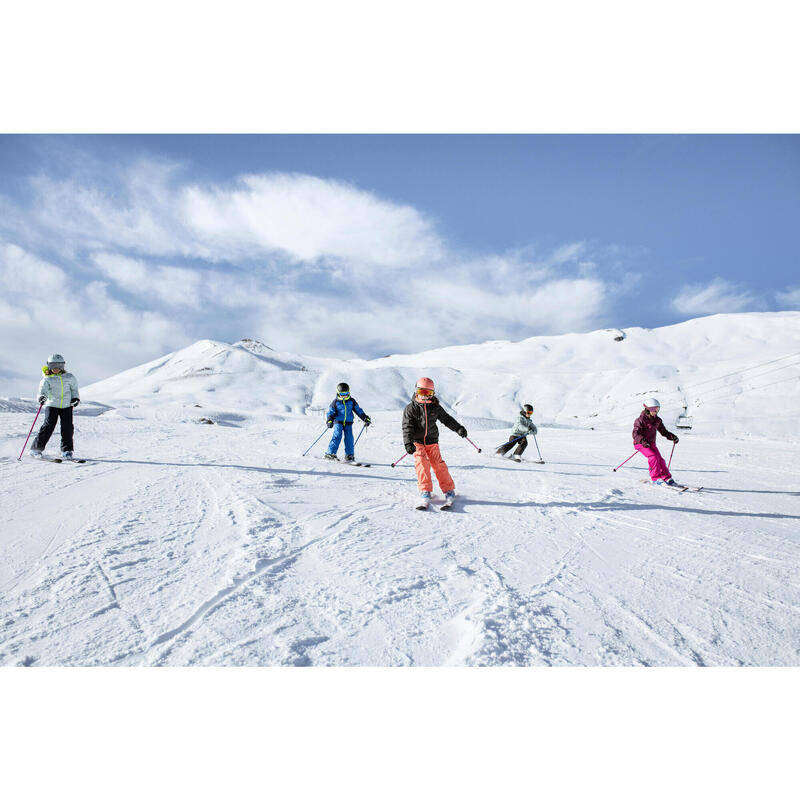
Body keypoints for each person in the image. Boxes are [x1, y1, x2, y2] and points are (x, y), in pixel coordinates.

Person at [402, 377, 467, 507]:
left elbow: (447, 419)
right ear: (416, 391)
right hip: (417, 442)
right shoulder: (411, 408)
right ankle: (425, 491)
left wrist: (458, 428)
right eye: (422, 392)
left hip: (432, 441)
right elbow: (407, 426)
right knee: (421, 464)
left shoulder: (435, 407)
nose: (425, 396)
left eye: (428, 393)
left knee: (438, 465)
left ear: (432, 394)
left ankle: (449, 490)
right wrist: (408, 443)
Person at [30, 354, 81, 460]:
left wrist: (75, 398)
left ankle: (66, 451)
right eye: (53, 365)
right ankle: (36, 449)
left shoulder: (70, 377)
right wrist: (42, 397)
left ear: (63, 366)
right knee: (48, 425)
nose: (56, 368)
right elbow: (42, 391)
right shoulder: (47, 379)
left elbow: (74, 390)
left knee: (67, 427)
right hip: (52, 405)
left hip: (66, 405)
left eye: (59, 365)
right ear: (48, 366)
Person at [633, 398, 679, 485]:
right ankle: (655, 478)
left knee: (660, 460)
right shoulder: (640, 420)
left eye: (658, 409)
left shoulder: (657, 420)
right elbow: (635, 434)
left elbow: (664, 431)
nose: (656, 412)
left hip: (651, 443)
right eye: (655, 409)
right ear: (648, 410)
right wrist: (643, 441)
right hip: (640, 443)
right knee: (653, 457)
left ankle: (666, 477)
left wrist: (672, 437)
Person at [324, 382, 371, 461]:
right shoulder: (335, 402)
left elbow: (358, 410)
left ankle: (349, 455)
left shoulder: (351, 401)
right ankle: (330, 453)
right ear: (338, 393)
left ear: (349, 392)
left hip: (348, 423)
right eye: (342, 394)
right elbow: (330, 412)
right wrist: (329, 420)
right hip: (338, 421)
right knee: (337, 436)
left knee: (349, 438)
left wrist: (365, 418)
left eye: (346, 393)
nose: (344, 396)